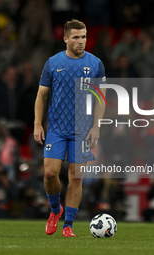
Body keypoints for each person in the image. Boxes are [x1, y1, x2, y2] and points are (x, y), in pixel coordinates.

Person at [34, 19, 106, 237]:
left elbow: (100, 98)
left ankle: (68, 226)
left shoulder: (95, 64)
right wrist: (37, 123)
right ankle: (56, 210)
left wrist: (96, 126)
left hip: (82, 130)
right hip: (56, 128)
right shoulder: (53, 63)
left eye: (83, 36)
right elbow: (41, 95)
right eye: (76, 37)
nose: (81, 41)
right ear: (66, 39)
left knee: (76, 177)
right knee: (49, 173)